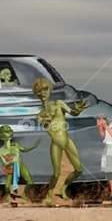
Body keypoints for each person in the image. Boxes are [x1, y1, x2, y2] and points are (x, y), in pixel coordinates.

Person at [33, 78, 88, 207]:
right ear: (37, 94)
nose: (43, 93)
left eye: (45, 89)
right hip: (56, 143)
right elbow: (46, 125)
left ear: (50, 90)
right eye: (40, 91)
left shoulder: (59, 103)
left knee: (79, 169)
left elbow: (73, 112)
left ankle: (63, 189)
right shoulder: (40, 114)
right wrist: (47, 117)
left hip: (66, 140)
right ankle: (50, 195)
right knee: (56, 173)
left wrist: (78, 109)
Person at [0, 124, 40, 207]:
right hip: (10, 167)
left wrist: (34, 146)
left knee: (29, 180)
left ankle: (23, 194)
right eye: (4, 133)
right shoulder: (1, 150)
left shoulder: (16, 145)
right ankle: (9, 197)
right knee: (7, 185)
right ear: (1, 136)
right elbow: (4, 162)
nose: (7, 135)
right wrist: (11, 161)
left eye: (8, 132)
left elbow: (24, 149)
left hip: (20, 165)